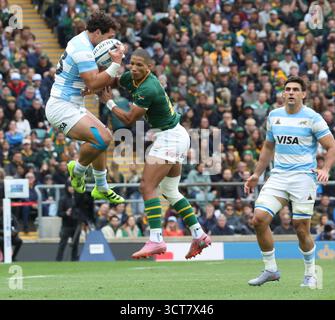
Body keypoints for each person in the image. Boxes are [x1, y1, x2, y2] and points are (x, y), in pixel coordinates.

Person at [98, 48, 211, 259]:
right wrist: (99, 78)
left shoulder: (149, 88)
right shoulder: (131, 76)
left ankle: (157, 239)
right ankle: (199, 234)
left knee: (146, 186)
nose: (134, 68)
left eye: (140, 65)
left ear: (149, 68)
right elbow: (114, 81)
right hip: (174, 135)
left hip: (170, 137)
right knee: (170, 190)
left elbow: (130, 120)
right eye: (132, 63)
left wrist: (109, 102)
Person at [244, 76, 335, 288]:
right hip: (278, 176)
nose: (291, 92)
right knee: (258, 219)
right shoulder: (274, 116)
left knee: (301, 228)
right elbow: (268, 147)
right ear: (283, 94)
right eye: (288, 89)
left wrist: (325, 169)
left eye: (295, 89)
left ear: (304, 94)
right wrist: (257, 174)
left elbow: (331, 146)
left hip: (304, 177)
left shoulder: (313, 118)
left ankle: (310, 274)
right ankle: (271, 270)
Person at [45, 11, 125, 204]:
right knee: (103, 138)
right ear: (97, 33)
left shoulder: (84, 43)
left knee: (103, 136)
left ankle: (101, 187)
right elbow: (95, 82)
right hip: (61, 107)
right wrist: (115, 64)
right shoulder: (83, 48)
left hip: (72, 104)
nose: (112, 42)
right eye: (109, 37)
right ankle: (78, 169)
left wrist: (93, 85)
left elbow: (91, 84)